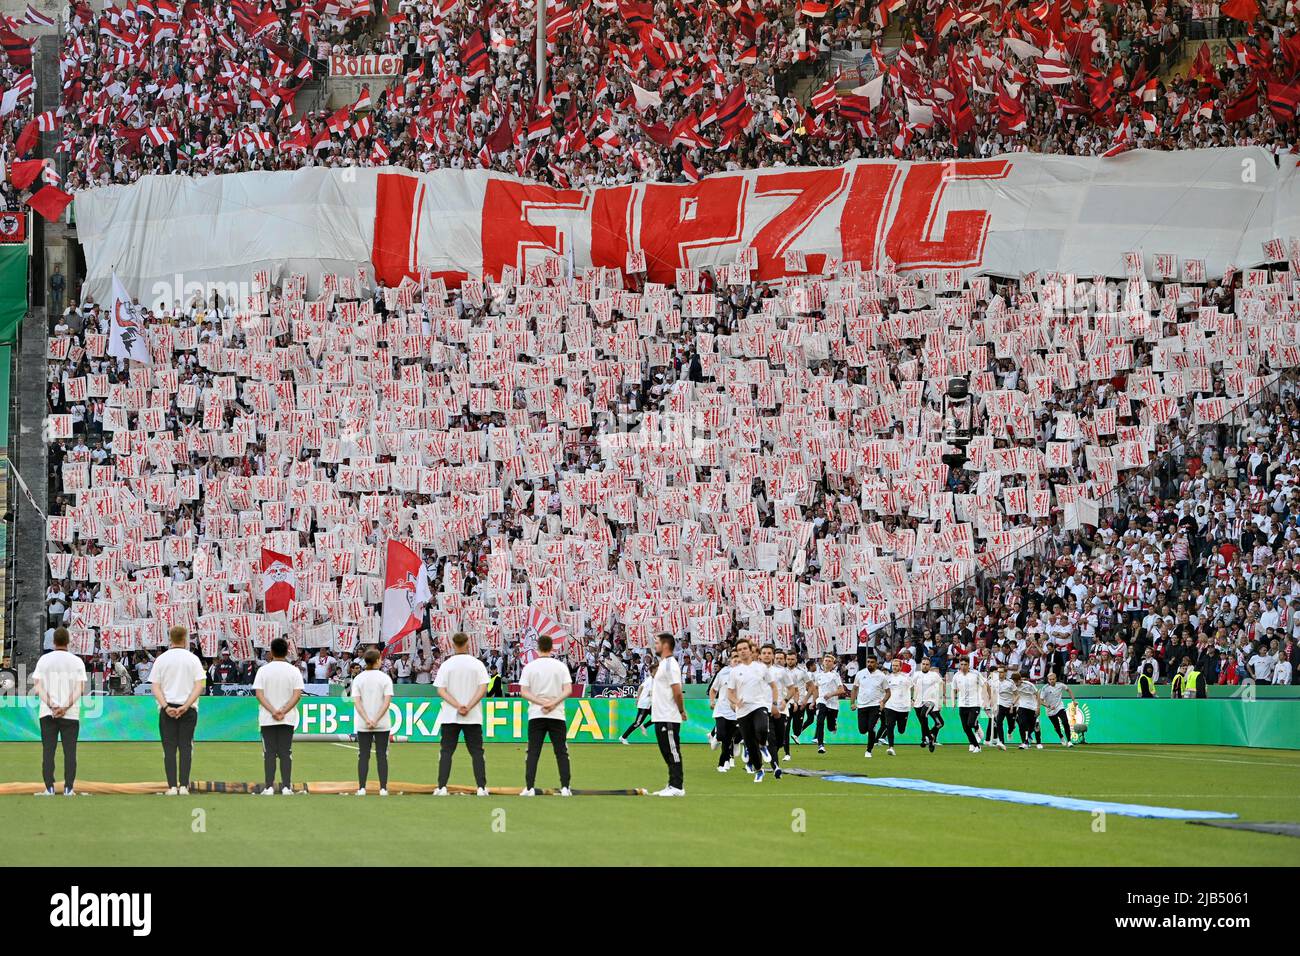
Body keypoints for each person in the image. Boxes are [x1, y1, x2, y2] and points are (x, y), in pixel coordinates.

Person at [150, 625, 206, 795]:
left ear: (170, 639)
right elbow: (199, 687)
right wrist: (186, 705)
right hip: (187, 709)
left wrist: (166, 706)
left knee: (169, 748)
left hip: (168, 708)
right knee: (186, 747)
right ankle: (184, 786)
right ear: (185, 638)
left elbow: (155, 687)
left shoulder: (161, 659)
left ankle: (172, 786)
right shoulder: (193, 659)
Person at [31, 628, 87, 796]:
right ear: (68, 641)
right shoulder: (77, 661)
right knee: (70, 751)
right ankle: (69, 788)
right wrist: (65, 707)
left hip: (48, 712)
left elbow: (37, 686)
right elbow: (80, 689)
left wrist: (52, 705)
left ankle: (49, 788)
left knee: (48, 750)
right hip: (70, 714)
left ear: (53, 642)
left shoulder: (44, 660)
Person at [433, 632, 490, 796]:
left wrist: (457, 706)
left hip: (451, 715)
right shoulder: (477, 664)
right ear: (467, 643)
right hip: (472, 716)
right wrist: (469, 706)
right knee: (477, 752)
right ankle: (481, 787)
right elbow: (483, 688)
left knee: (446, 751)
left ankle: (442, 787)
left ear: (453, 644)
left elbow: (441, 690)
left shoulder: (447, 665)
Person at [518, 633, 573, 796]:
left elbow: (524, 692)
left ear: (537, 647)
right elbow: (568, 690)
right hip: (557, 714)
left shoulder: (530, 667)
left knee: (533, 751)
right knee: (561, 751)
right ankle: (565, 787)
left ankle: (529, 788)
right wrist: (553, 703)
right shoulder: (560, 666)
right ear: (551, 647)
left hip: (537, 714)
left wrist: (542, 703)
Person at [252, 637, 305, 795]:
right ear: (287, 651)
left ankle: (269, 787)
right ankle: (286, 787)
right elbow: (297, 695)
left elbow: (259, 694)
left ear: (271, 652)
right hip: (287, 718)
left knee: (269, 753)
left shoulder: (263, 670)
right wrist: (283, 710)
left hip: (268, 718)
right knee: (285, 752)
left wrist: (273, 711)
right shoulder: (293, 670)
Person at [728, 639, 780, 783]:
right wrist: (736, 701)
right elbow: (730, 693)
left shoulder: (761, 667)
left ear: (751, 651)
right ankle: (759, 769)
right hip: (742, 710)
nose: (743, 651)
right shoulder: (734, 671)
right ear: (737, 653)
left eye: (745, 648)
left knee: (762, 728)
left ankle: (763, 744)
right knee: (750, 743)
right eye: (740, 650)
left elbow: (773, 686)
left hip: (759, 705)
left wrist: (774, 703)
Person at [351, 648, 394, 795]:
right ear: (377, 661)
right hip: (381, 723)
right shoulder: (385, 678)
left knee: (363, 755)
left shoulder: (358, 678)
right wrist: (375, 719)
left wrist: (367, 719)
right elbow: (387, 701)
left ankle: (362, 788)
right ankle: (383, 788)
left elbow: (356, 702)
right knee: (382, 755)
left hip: (364, 723)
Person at [650, 633, 686, 796]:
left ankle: (677, 786)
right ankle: (671, 784)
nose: (654, 645)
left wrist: (680, 710)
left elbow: (677, 691)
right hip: (660, 716)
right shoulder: (664, 664)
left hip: (669, 716)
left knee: (672, 751)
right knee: (666, 751)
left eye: (657, 643)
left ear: (665, 645)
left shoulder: (671, 664)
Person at [850, 654, 888, 758]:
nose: (869, 664)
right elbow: (854, 688)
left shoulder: (881, 676)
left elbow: (888, 692)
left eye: (872, 662)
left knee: (871, 728)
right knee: (862, 730)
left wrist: (883, 701)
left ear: (876, 663)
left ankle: (869, 750)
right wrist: (852, 703)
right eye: (868, 662)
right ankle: (870, 733)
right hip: (862, 705)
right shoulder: (860, 673)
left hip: (875, 705)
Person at [708, 650, 737, 771]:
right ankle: (714, 736)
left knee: (728, 739)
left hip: (735, 711)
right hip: (721, 709)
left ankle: (721, 764)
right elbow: (713, 689)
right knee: (721, 735)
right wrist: (712, 701)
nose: (736, 659)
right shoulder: (723, 672)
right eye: (734, 657)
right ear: (729, 660)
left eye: (738, 657)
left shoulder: (747, 673)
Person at [879, 661, 913, 756]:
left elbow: (913, 688)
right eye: (893, 665)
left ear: (900, 667)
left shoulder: (906, 677)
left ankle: (900, 729)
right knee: (890, 726)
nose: (894, 667)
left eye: (896, 666)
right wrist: (882, 702)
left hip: (903, 707)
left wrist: (912, 699)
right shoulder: (887, 678)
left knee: (901, 730)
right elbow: (883, 691)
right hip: (890, 706)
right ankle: (891, 747)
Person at [811, 653, 843, 754]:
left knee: (830, 727)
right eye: (826, 661)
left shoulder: (835, 676)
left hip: (833, 704)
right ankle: (820, 745)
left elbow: (841, 690)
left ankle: (834, 725)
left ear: (833, 664)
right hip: (821, 701)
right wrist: (813, 701)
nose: (827, 663)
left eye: (830, 661)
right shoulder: (818, 675)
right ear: (823, 662)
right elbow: (816, 689)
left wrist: (831, 694)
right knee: (820, 721)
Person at [911, 657, 945, 752]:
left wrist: (940, 701)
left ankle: (926, 738)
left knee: (924, 715)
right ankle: (929, 738)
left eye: (927, 664)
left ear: (930, 666)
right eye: (923, 664)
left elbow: (941, 686)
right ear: (921, 665)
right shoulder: (916, 675)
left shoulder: (934, 675)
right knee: (923, 722)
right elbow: (911, 687)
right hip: (918, 702)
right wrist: (912, 699)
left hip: (930, 701)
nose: (925, 666)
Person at [951, 658, 985, 752]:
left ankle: (977, 727)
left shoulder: (976, 674)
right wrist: (953, 702)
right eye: (961, 664)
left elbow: (985, 685)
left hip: (975, 703)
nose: (963, 666)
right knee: (966, 728)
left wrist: (987, 698)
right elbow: (953, 689)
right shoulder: (956, 675)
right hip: (962, 704)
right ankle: (976, 745)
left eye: (965, 664)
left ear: (968, 665)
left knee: (970, 723)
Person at [619, 661, 655, 743]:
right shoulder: (650, 680)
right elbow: (640, 688)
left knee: (657, 717)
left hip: (649, 704)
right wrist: (638, 699)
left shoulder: (654, 679)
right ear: (652, 671)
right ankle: (623, 737)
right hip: (644, 705)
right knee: (637, 723)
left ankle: (644, 726)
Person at [1040, 671, 1076, 747]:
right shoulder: (1045, 688)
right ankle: (1061, 736)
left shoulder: (1060, 685)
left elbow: (1069, 690)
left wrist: (1074, 700)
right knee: (1057, 727)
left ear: (1056, 679)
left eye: (1053, 679)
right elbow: (1041, 701)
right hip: (1050, 710)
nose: (1052, 680)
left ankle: (1069, 741)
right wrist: (1049, 706)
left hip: (1060, 707)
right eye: (1050, 679)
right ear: (1048, 680)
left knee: (1065, 722)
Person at [988, 664, 1015, 750]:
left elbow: (1016, 695)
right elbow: (986, 686)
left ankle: (1010, 731)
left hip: (1010, 705)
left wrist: (1012, 705)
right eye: (998, 672)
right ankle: (1001, 742)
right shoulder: (994, 682)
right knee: (999, 722)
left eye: (1002, 672)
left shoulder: (1010, 683)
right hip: (1000, 705)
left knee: (1011, 725)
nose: (1000, 674)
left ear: (1006, 673)